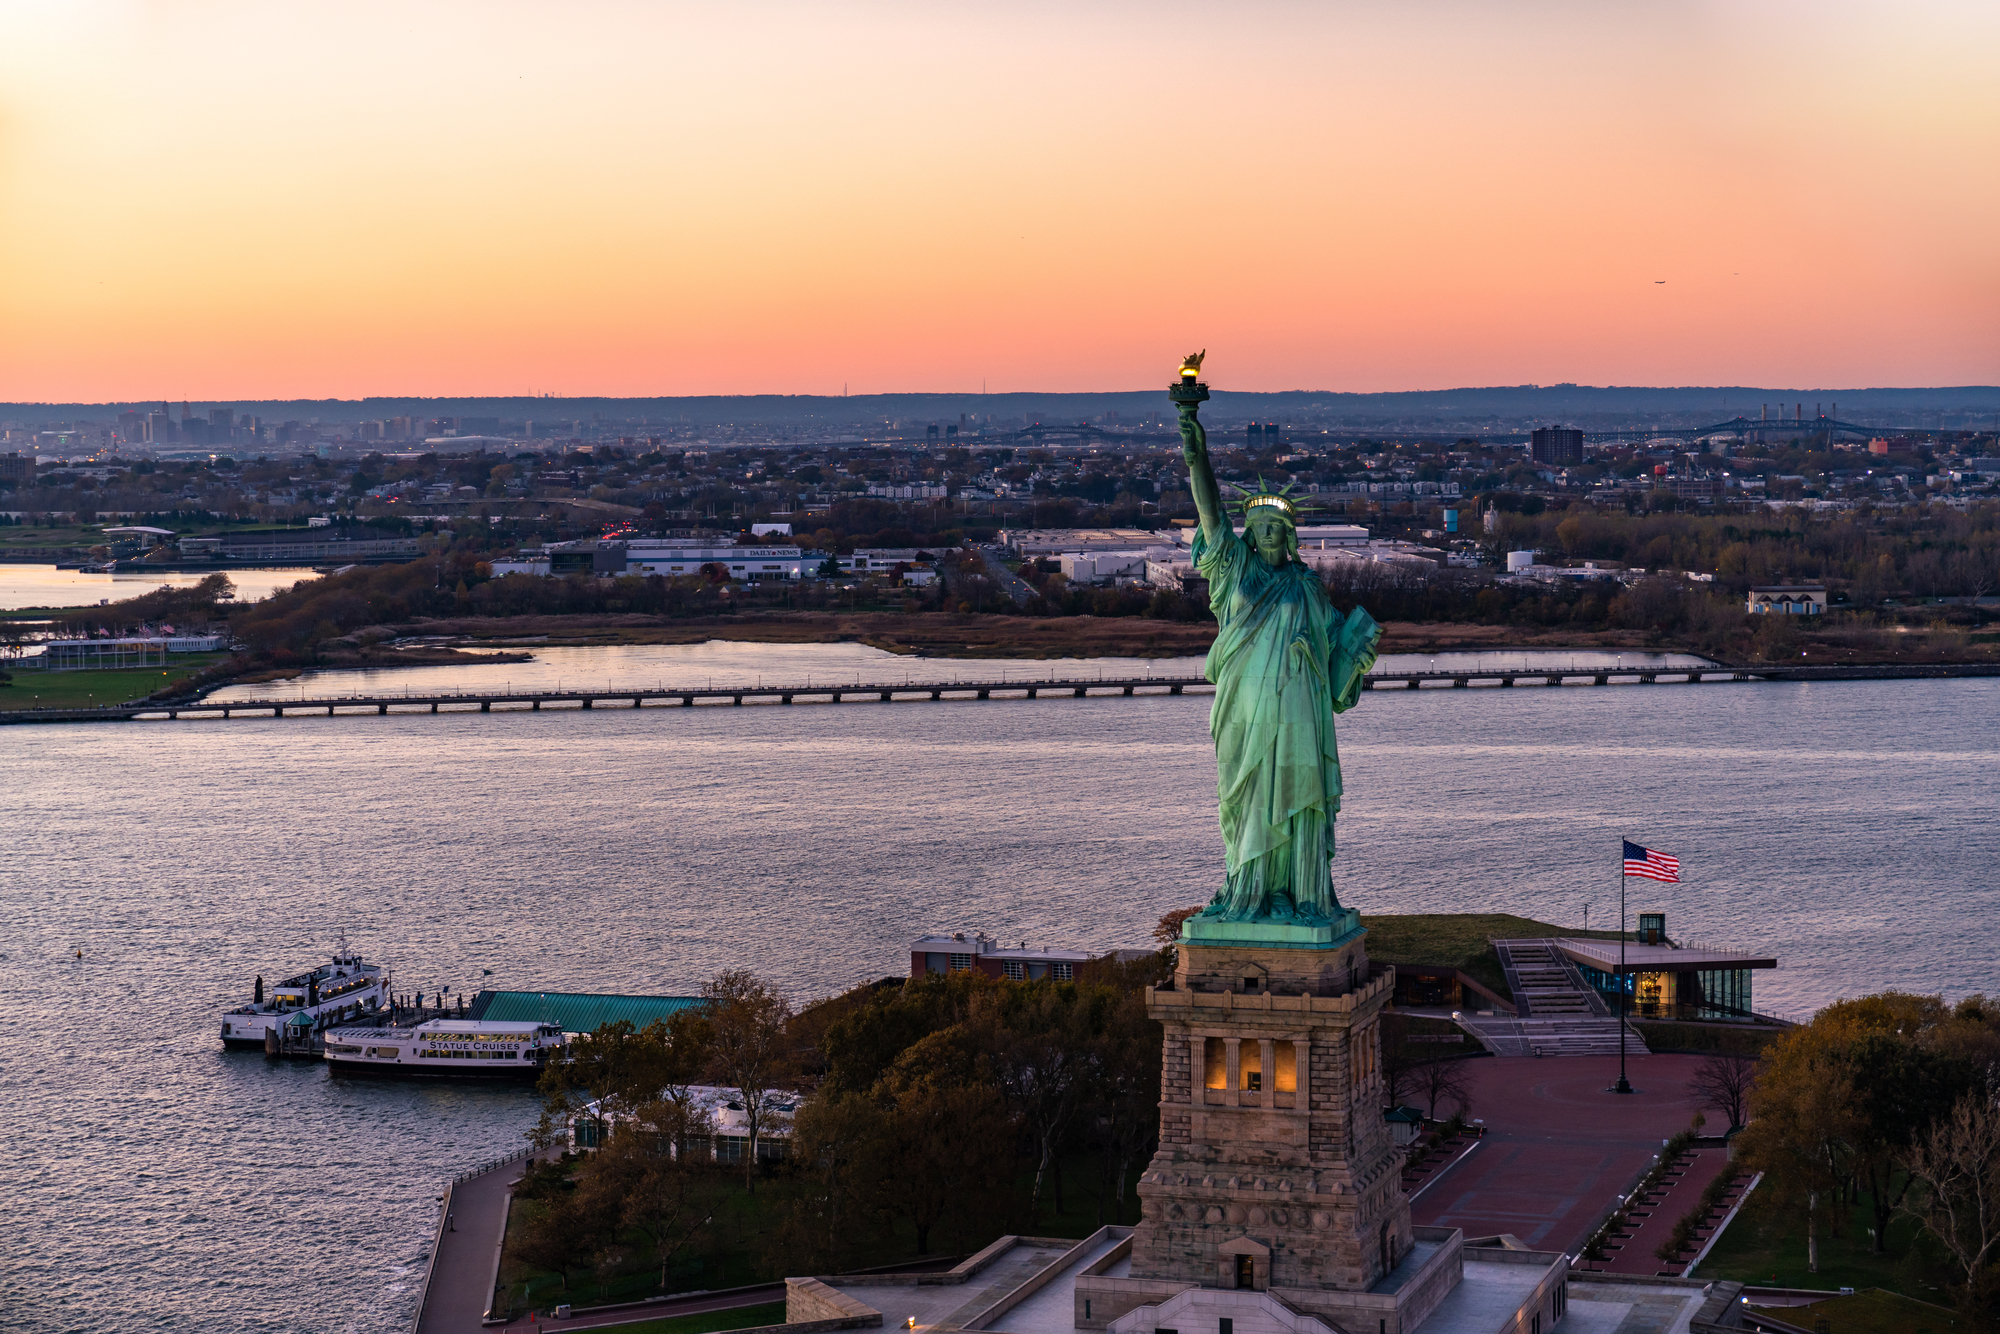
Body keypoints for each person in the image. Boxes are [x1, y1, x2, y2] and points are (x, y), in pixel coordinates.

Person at [1178, 392, 1379, 922]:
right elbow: (1209, 511)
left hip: (1297, 708)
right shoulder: (1233, 573)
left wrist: (1356, 652)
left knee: (1297, 794)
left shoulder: (1307, 588)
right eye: (1259, 525)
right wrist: (1195, 449)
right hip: (1244, 705)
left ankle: (1298, 892)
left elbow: (1337, 647)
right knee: (1244, 799)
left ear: (1288, 534)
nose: (1267, 533)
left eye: (1276, 526)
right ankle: (1249, 889)